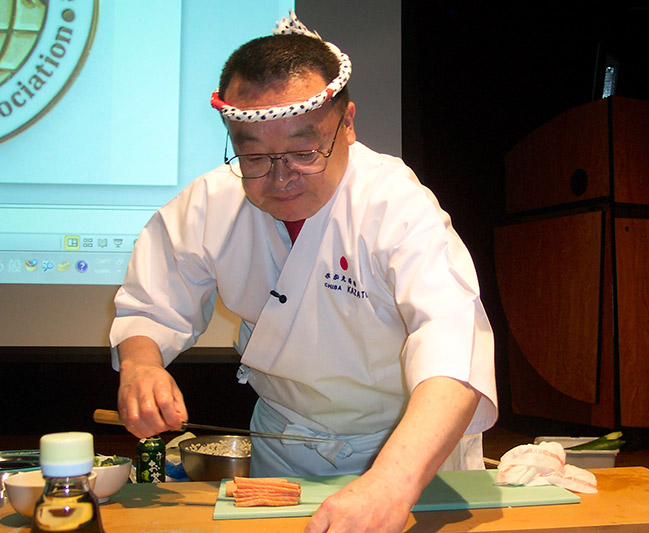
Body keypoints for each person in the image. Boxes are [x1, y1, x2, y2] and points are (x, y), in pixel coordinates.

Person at [110, 13, 497, 532]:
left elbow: (450, 335)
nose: (282, 178)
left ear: (349, 123)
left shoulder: (394, 204)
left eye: (304, 150)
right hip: (289, 444)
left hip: (412, 447)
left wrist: (391, 482)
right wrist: (141, 366)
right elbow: (151, 302)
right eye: (255, 157)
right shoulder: (211, 202)